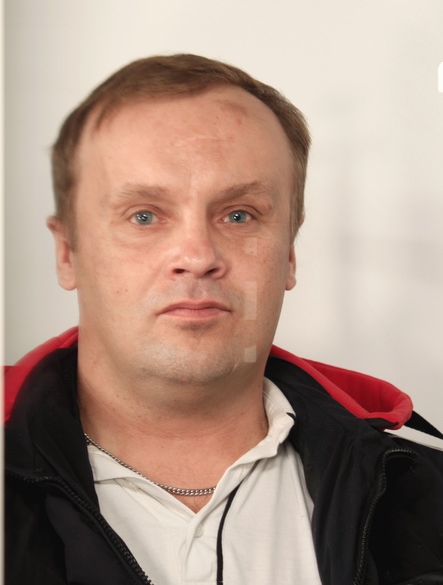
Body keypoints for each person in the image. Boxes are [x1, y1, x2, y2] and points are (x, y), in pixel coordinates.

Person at [4, 54, 443, 585]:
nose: (197, 256)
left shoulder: (424, 485)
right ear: (67, 253)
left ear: (288, 255)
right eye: (144, 215)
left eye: (239, 215)